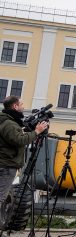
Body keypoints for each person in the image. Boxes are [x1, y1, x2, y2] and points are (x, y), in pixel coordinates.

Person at [0, 96, 48, 228]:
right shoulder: (9, 124)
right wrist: (37, 132)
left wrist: (27, 131)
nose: (23, 106)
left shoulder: (7, 121)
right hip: (6, 164)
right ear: (15, 106)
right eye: (21, 104)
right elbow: (19, 140)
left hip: (5, 163)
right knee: (1, 197)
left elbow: (15, 136)